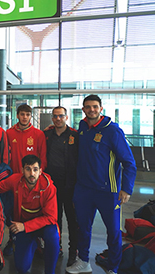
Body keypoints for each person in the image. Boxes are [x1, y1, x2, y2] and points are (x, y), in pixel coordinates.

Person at [66, 95, 137, 274]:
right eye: (88, 107)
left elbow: (129, 162)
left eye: (95, 107)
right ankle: (83, 260)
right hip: (83, 189)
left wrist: (126, 189)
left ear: (101, 108)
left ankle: (113, 267)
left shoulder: (112, 131)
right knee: (83, 228)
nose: (92, 110)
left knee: (113, 232)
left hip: (108, 191)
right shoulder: (82, 127)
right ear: (83, 109)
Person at [0, 155, 59, 274]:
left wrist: (26, 226)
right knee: (21, 268)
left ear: (40, 171)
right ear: (22, 170)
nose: (32, 173)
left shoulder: (49, 187)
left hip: (41, 225)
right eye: (28, 169)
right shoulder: (15, 180)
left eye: (35, 169)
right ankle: (34, 243)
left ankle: (50, 271)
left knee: (53, 235)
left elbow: (51, 217)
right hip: (22, 225)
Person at [44, 106, 79, 266]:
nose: (58, 119)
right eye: (55, 116)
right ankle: (56, 248)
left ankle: (73, 252)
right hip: (52, 187)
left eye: (61, 116)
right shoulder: (47, 135)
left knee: (73, 220)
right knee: (54, 219)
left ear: (66, 117)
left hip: (70, 186)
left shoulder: (75, 136)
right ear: (52, 119)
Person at [6, 104, 47, 174]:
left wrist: (37, 174)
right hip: (13, 174)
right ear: (17, 116)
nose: (25, 117)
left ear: (31, 116)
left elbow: (43, 157)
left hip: (32, 176)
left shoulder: (39, 134)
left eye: (28, 115)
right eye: (22, 114)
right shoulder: (9, 133)